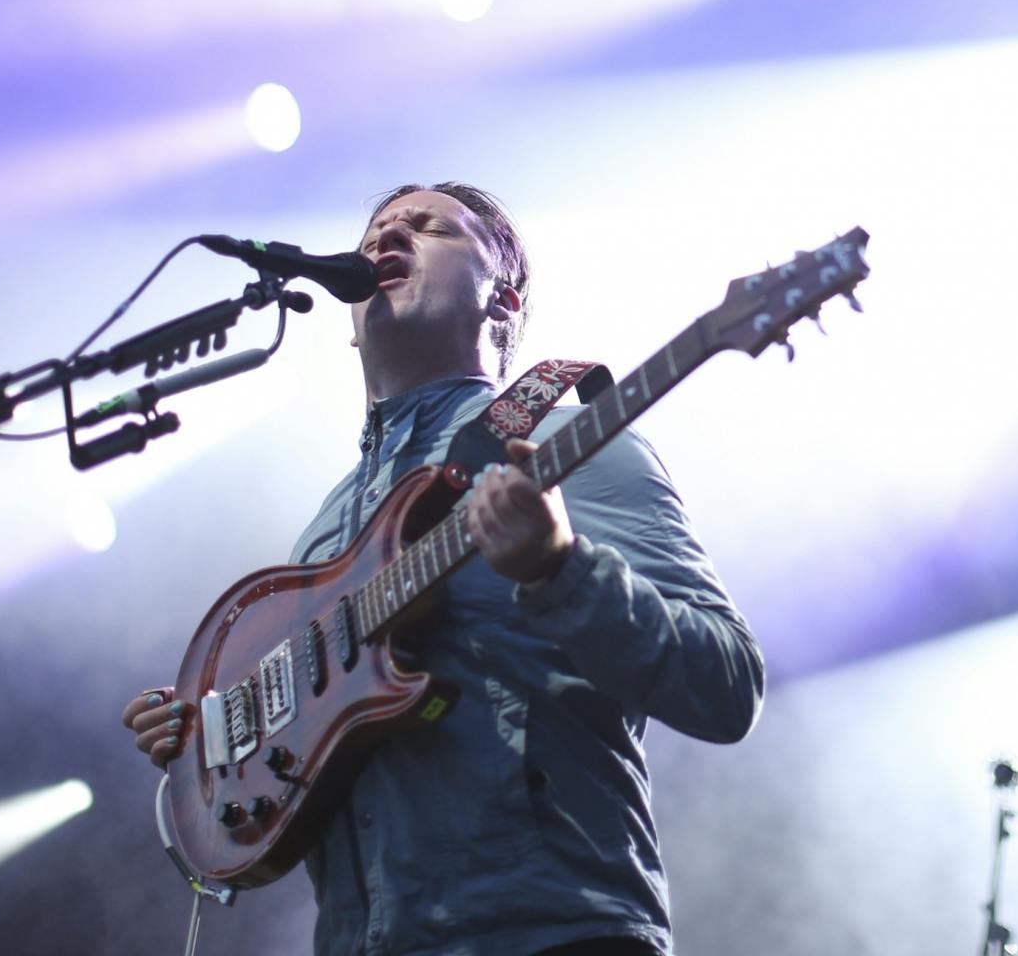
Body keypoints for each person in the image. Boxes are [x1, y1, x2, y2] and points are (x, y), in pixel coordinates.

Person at [122, 182, 765, 956]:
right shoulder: (323, 534)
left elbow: (726, 683)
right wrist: (210, 738)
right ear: (351, 330)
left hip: (555, 932)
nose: (387, 241)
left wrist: (560, 568)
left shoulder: (575, 443)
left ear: (502, 299)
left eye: (427, 229)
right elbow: (311, 773)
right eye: (374, 235)